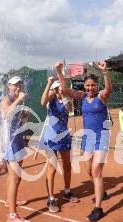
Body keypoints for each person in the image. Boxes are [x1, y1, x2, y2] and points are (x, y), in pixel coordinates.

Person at [55, 60, 112, 222]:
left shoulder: (101, 96)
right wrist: (59, 72)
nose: (90, 88)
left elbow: (109, 89)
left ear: (96, 85)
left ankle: (98, 208)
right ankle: (103, 191)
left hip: (101, 137)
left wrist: (105, 72)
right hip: (87, 138)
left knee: (96, 171)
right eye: (87, 86)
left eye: (92, 85)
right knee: (89, 171)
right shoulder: (81, 96)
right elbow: (65, 89)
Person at [40, 76, 79, 213]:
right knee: (52, 166)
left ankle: (67, 192)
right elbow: (42, 101)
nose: (58, 90)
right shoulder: (51, 98)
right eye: (56, 88)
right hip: (51, 136)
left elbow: (69, 109)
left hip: (64, 136)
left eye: (59, 87)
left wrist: (63, 96)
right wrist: (49, 84)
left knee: (67, 165)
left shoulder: (66, 98)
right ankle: (50, 198)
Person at [0, 76, 32, 222]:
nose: (18, 88)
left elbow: (19, 121)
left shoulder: (18, 100)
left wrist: (25, 114)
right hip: (11, 144)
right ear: (8, 87)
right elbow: (6, 114)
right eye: (14, 86)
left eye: (20, 85)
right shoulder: (6, 100)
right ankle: (12, 215)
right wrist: (19, 100)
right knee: (14, 178)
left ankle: (9, 200)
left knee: (14, 178)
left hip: (17, 141)